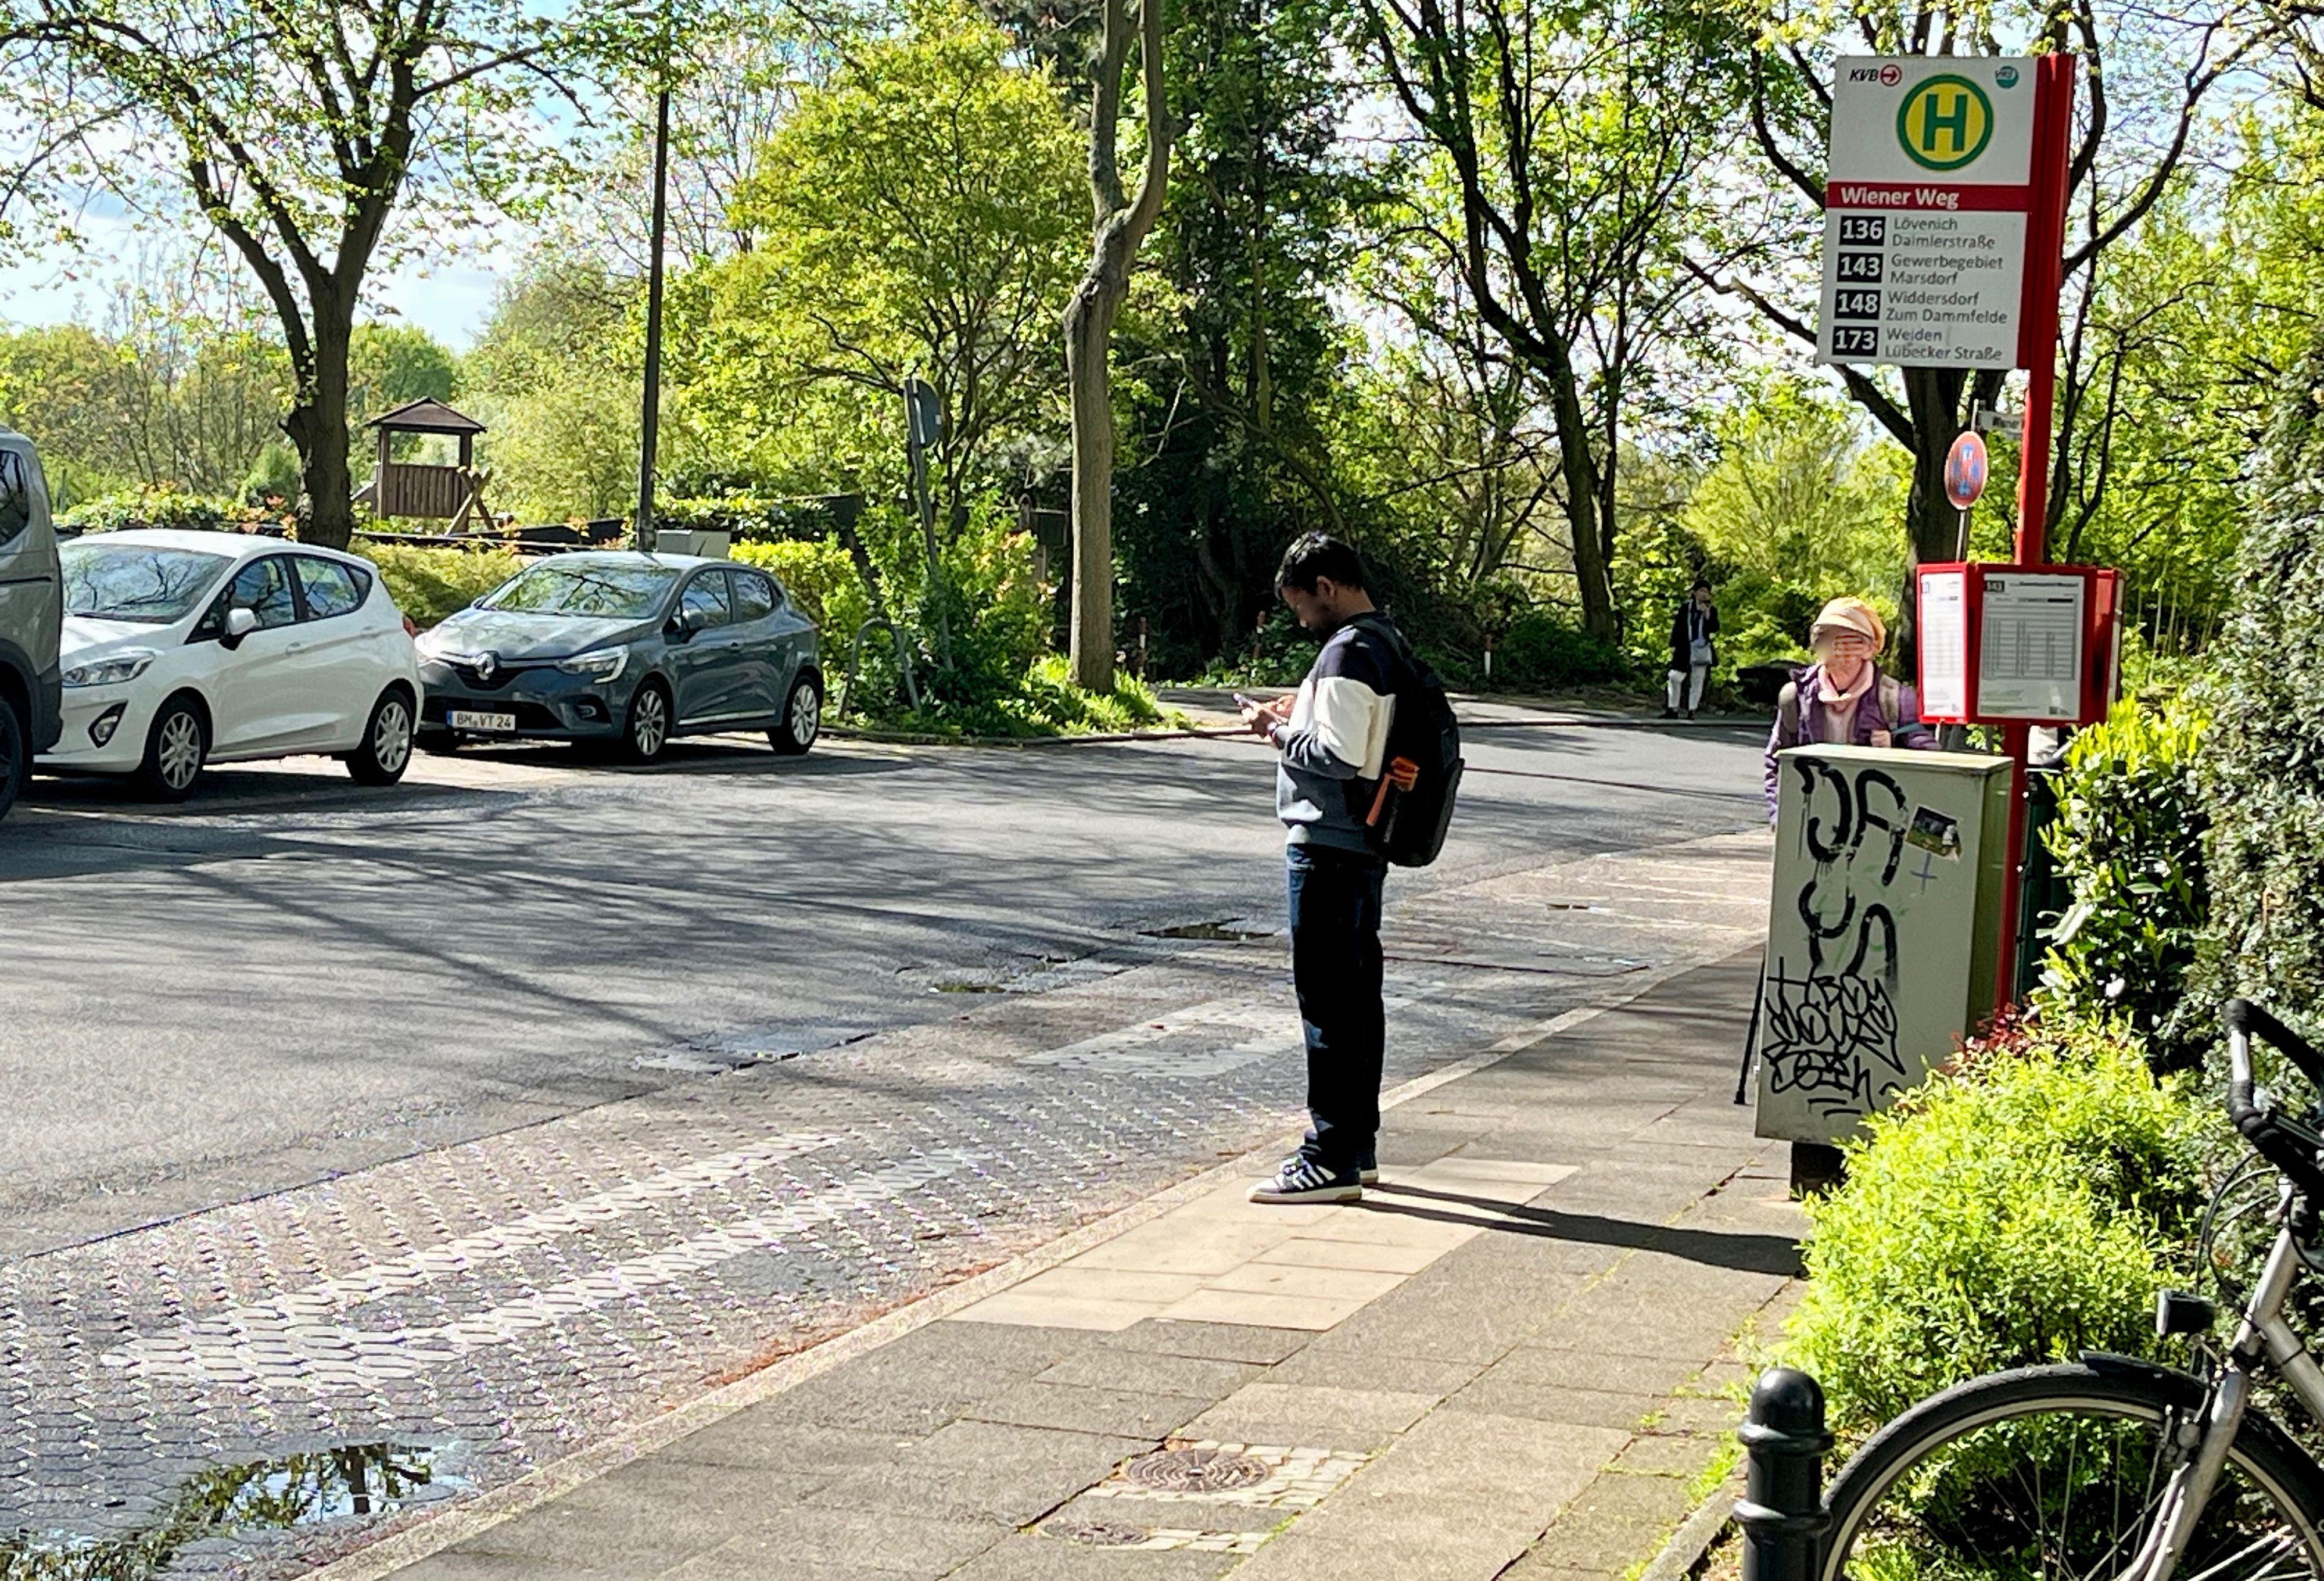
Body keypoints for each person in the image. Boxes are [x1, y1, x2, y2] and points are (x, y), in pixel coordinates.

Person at [1239, 533, 1403, 1203]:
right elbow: (1364, 736)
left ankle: (1329, 1155)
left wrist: (1272, 731)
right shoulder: (1385, 643)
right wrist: (1301, 708)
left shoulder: (1345, 653)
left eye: (1302, 605)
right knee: (1358, 1000)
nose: (1302, 619)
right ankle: (1357, 1145)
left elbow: (1335, 756)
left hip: (1327, 844)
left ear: (1326, 587)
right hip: (1365, 845)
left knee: (1328, 1005)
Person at [1763, 596, 1936, 823]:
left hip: (1875, 825)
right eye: (1823, 636)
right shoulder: (1795, 697)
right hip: (1811, 824)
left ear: (1869, 647)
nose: (1832, 645)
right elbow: (1776, 763)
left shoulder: (1895, 699)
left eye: (1845, 638)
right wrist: (1781, 818)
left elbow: (1931, 769)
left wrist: (1894, 749)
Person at [1665, 579, 1719, 719]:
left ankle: (1692, 709)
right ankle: (1673, 708)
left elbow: (1715, 628)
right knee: (1675, 677)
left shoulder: (1711, 610)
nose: (1703, 594)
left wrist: (1707, 616)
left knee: (1697, 680)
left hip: (1701, 649)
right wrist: (1673, 645)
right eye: (1701, 591)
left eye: (1706, 592)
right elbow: (1678, 627)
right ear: (1695, 593)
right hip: (1684, 648)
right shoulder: (1685, 609)